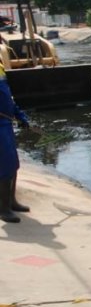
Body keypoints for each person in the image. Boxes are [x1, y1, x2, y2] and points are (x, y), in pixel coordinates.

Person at [0, 63, 31, 223]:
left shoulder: (0, 67)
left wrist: (20, 116)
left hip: (6, 123)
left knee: (14, 164)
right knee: (6, 165)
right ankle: (3, 209)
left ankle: (12, 201)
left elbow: (7, 98)